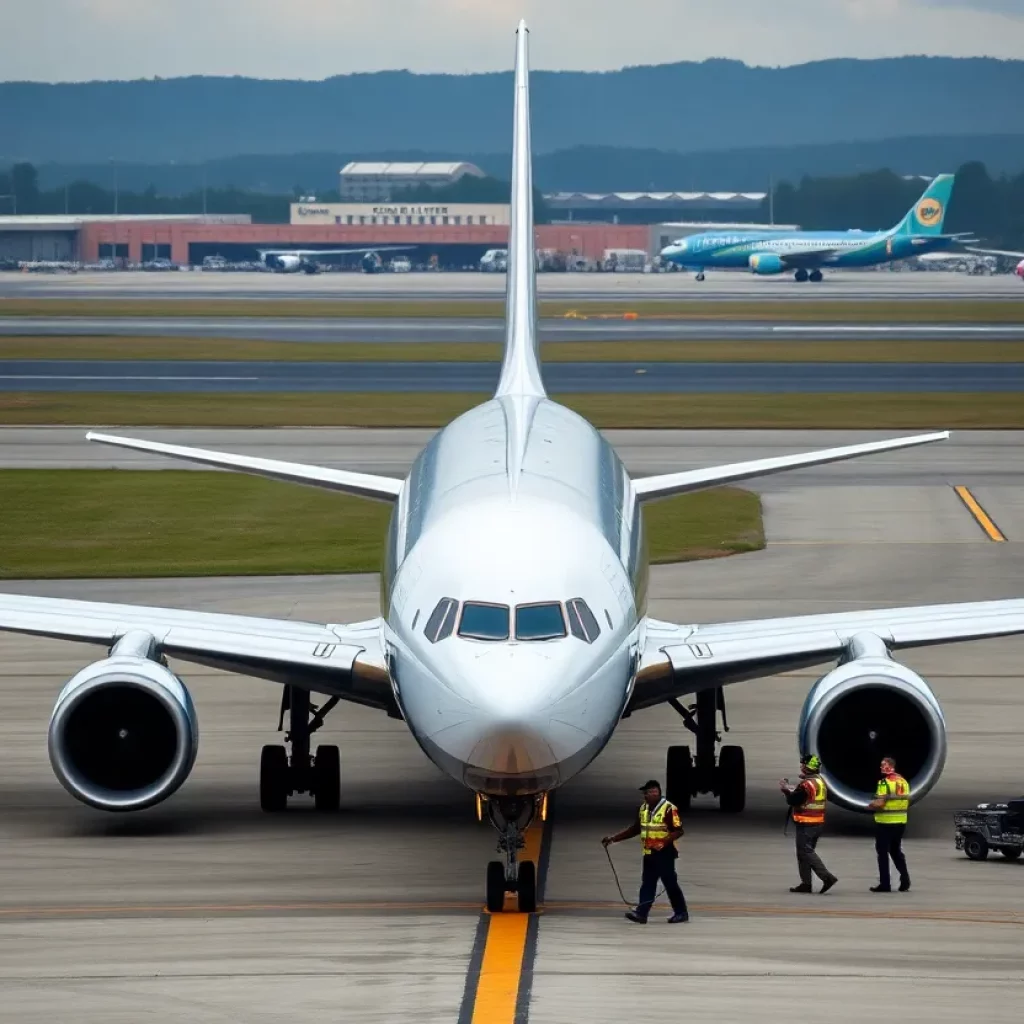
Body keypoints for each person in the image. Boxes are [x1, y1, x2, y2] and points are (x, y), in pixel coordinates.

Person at [602, 779, 690, 924]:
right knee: (647, 883)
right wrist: (613, 839)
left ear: (656, 792)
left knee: (670, 883)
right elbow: (636, 829)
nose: (645, 796)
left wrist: (664, 842)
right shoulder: (643, 809)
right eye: (644, 793)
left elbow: (679, 831)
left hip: (664, 853)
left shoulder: (668, 809)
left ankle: (681, 912)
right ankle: (641, 913)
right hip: (649, 853)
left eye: (647, 793)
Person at [780, 753, 838, 894]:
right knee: (804, 852)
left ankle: (826, 877)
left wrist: (786, 791)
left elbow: (794, 800)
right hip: (817, 822)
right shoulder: (819, 781)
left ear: (807, 766)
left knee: (806, 852)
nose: (801, 766)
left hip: (807, 823)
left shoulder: (806, 784)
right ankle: (806, 884)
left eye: (803, 764)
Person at [868, 756, 911, 892]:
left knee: (882, 853)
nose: (881, 767)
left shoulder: (884, 783)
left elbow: (880, 803)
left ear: (889, 766)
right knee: (896, 851)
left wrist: (871, 805)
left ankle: (885, 884)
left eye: (883, 765)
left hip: (885, 823)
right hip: (901, 822)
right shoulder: (903, 782)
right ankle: (905, 879)